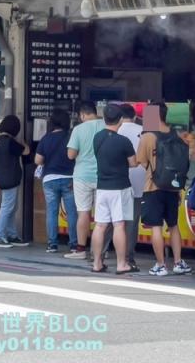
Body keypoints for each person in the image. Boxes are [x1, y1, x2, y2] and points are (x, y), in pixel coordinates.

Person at [136, 102, 192, 276]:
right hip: (173, 188)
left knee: (156, 227)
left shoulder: (148, 137)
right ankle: (177, 262)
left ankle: (160, 265)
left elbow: (141, 161)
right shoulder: (177, 135)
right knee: (174, 226)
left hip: (153, 187)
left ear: (152, 116)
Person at [90, 104, 138, 275]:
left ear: (104, 119)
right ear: (120, 121)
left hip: (102, 187)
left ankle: (96, 263)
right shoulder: (123, 141)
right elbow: (133, 163)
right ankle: (121, 264)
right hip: (120, 187)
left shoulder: (97, 138)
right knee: (119, 225)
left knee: (100, 225)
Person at [66, 101, 105, 260]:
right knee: (102, 217)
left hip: (82, 176)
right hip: (102, 175)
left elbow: (71, 155)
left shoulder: (78, 129)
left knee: (83, 213)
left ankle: (81, 249)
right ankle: (101, 250)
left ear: (82, 115)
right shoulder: (106, 126)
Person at [35, 109, 78, 254]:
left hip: (49, 179)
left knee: (51, 212)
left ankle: (52, 244)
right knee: (72, 213)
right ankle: (73, 245)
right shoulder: (70, 137)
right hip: (69, 179)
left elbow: (38, 160)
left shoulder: (45, 138)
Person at [0, 115, 30, 248]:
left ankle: (12, 235)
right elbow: (26, 152)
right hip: (11, 178)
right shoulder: (10, 142)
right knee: (7, 207)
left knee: (11, 208)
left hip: (2, 177)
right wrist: (23, 141)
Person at [117, 104, 145, 270]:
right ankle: (129, 256)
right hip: (140, 179)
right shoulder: (144, 131)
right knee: (132, 220)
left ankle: (101, 253)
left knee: (112, 219)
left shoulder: (115, 132)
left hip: (117, 180)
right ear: (134, 116)